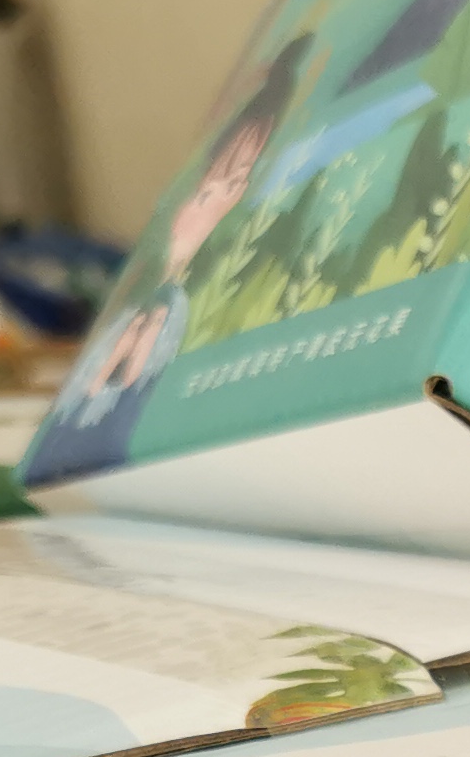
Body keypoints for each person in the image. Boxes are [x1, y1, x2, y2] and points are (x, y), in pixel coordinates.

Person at [25, 39, 310, 482]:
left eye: (235, 184)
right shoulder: (150, 289)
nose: (216, 199)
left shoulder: (182, 308)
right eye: (211, 187)